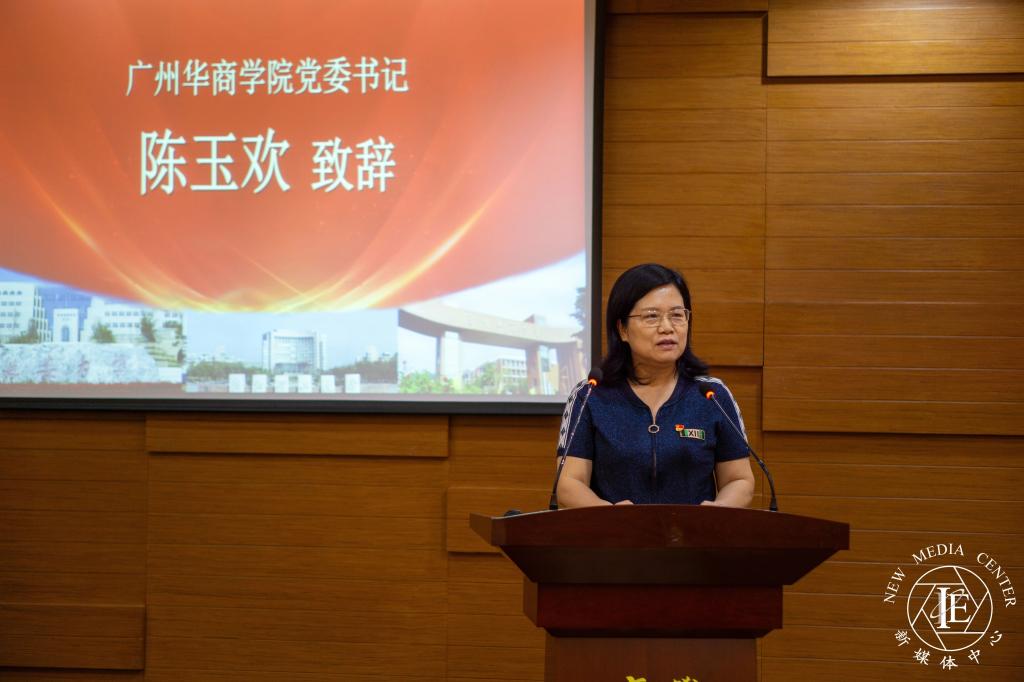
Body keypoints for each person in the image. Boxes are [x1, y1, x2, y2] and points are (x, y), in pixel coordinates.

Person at [557, 263, 755, 508]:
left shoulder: (712, 395)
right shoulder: (590, 396)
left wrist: (714, 513)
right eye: (651, 316)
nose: (667, 328)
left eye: (677, 315)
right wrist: (611, 517)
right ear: (622, 329)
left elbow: (739, 480)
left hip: (693, 532)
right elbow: (569, 484)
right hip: (615, 531)